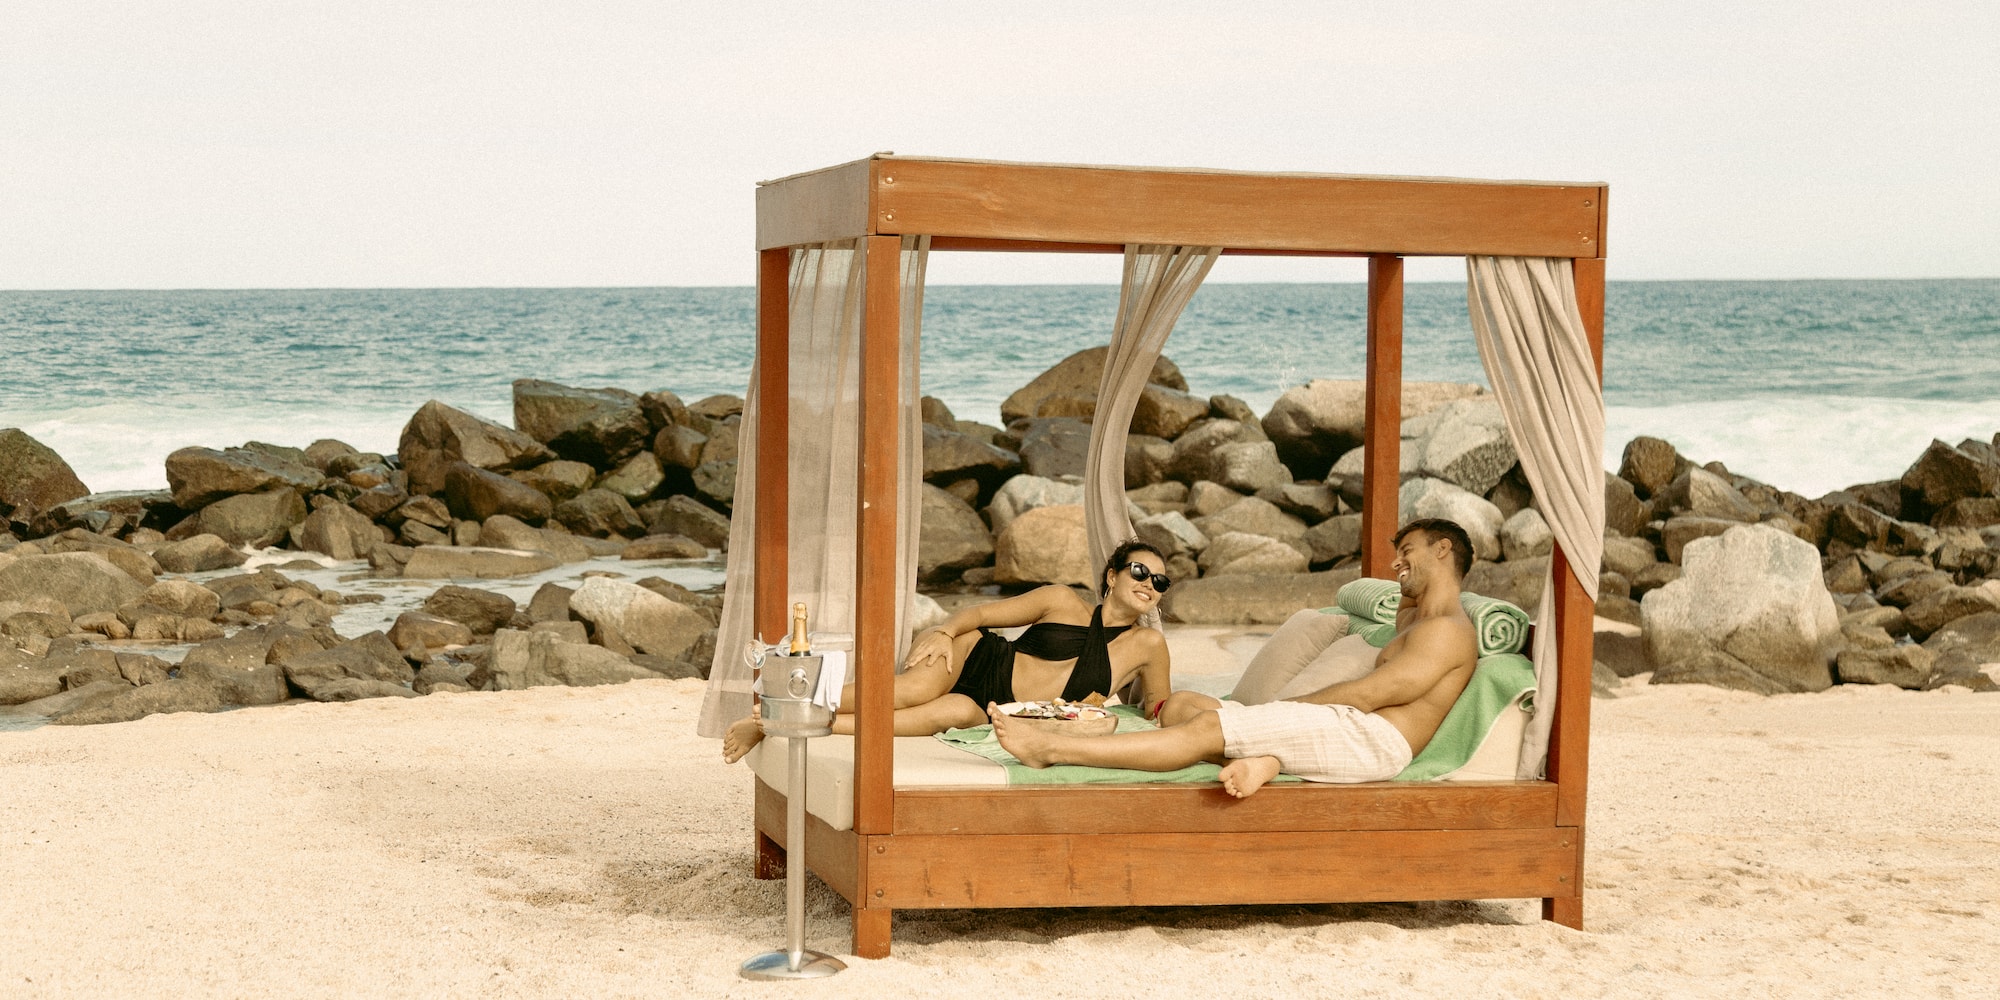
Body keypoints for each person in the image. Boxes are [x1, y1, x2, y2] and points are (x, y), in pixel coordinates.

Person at [988, 518, 1478, 798]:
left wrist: (1277, 712)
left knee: (1204, 728)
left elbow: (1371, 694)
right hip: (1350, 727)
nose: (1395, 563)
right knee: (1182, 707)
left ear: (1443, 550)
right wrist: (1408, 584)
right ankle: (1267, 759)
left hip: (1373, 739)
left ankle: (1052, 749)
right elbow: (1378, 602)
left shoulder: (1445, 632)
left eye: (1407, 551)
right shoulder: (1417, 618)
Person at [722, 539, 1174, 763]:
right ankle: (782, 705)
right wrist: (943, 632)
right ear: (1112, 576)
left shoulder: (1148, 645)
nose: (1149, 584)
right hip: (976, 655)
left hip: (997, 708)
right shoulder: (1061, 599)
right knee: (910, 692)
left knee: (945, 714)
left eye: (1159, 581)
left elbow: (1158, 708)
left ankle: (790, 723)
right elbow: (980, 615)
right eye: (1139, 571)